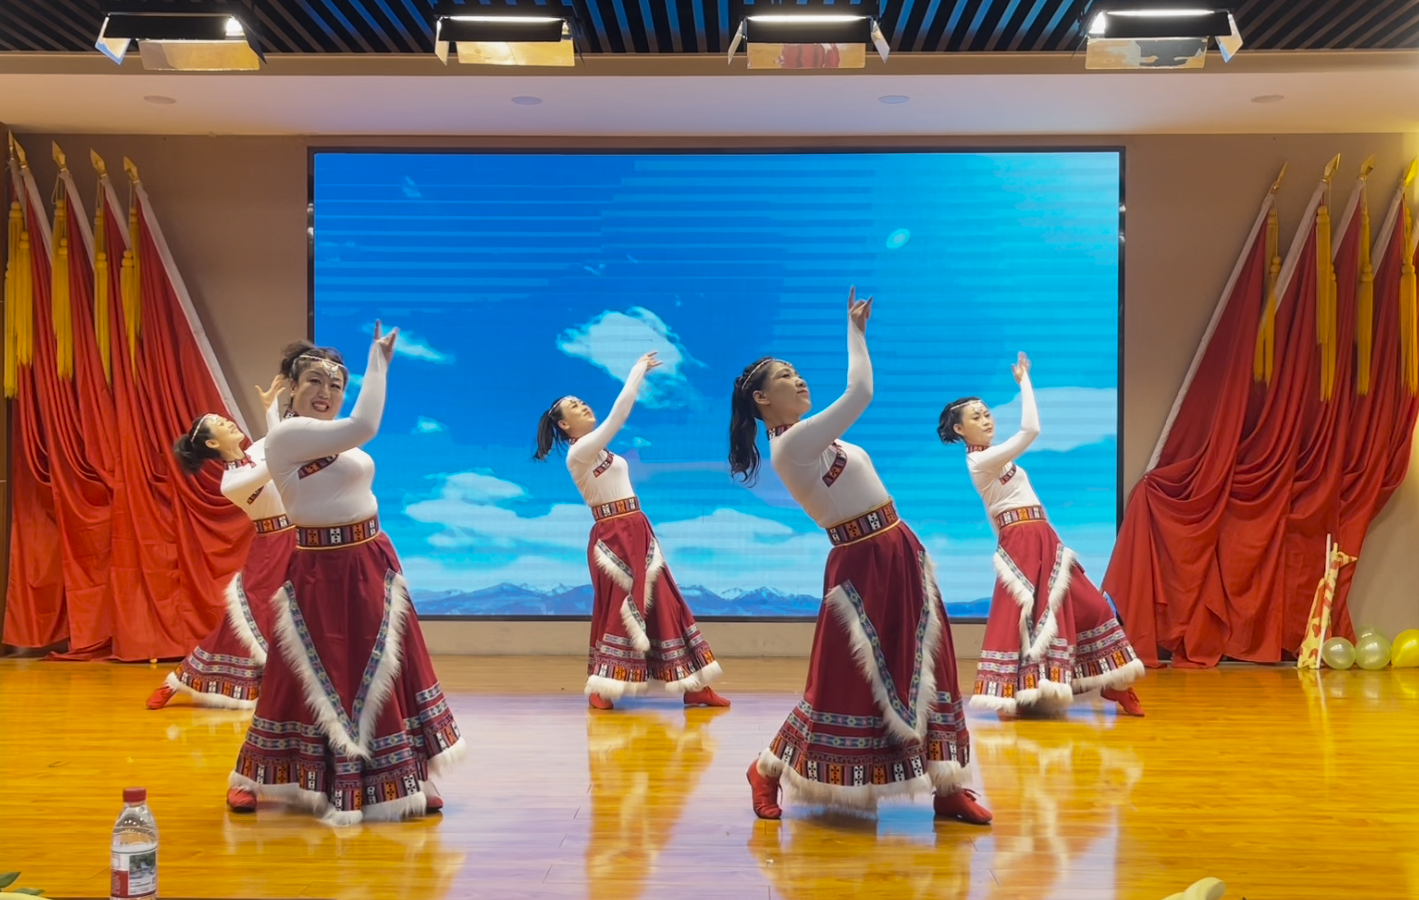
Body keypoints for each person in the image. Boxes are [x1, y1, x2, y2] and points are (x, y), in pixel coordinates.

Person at [728, 288, 990, 825]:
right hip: (861, 565)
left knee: (931, 666)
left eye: (797, 372)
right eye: (786, 377)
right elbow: (861, 391)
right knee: (843, 680)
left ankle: (948, 787)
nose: (800, 380)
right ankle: (766, 769)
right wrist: (855, 330)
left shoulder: (822, 441)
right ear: (762, 399)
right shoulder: (790, 445)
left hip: (899, 550)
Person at [228, 327, 464, 823]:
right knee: (304, 674)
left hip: (371, 561)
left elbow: (354, 439)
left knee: (387, 668)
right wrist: (379, 362)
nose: (326, 392)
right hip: (321, 569)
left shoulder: (334, 437)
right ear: (292, 387)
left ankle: (407, 777)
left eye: (336, 385)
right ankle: (252, 775)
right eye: (315, 381)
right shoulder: (288, 436)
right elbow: (365, 423)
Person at [937, 353, 1144, 718]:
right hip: (1021, 542)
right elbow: (1030, 430)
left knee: (1091, 605)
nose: (986, 420)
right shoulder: (979, 461)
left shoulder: (995, 457)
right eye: (976, 417)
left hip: (1043, 537)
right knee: (1021, 617)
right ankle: (1012, 695)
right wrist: (1025, 382)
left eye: (987, 413)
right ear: (959, 430)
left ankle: (1114, 682)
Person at [535, 351, 729, 711]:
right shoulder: (579, 453)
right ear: (563, 424)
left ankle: (695, 685)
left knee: (667, 602)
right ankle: (602, 686)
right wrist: (638, 372)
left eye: (581, 401)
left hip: (637, 529)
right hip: (614, 537)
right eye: (574, 406)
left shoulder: (598, 450)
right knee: (619, 607)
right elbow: (618, 416)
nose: (583, 405)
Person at [147, 378, 292, 710]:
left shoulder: (256, 451)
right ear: (213, 443)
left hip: (297, 539)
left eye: (226, 419)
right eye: (221, 424)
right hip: (272, 550)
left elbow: (278, 444)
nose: (229, 422)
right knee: (247, 621)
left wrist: (270, 407)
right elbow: (280, 459)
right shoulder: (232, 482)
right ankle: (179, 679)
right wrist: (271, 415)